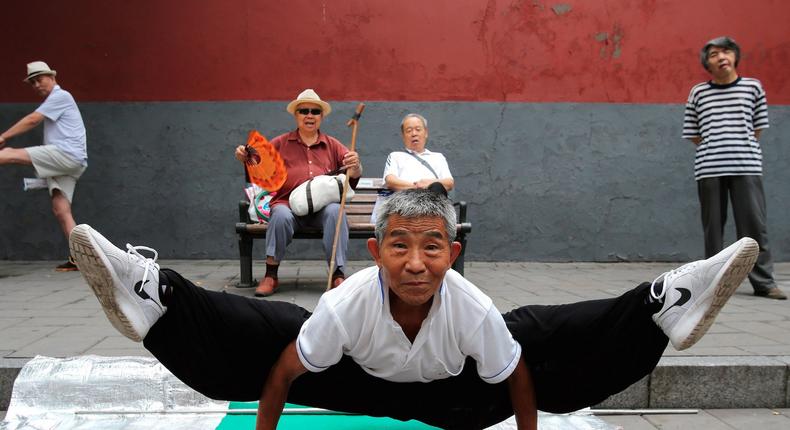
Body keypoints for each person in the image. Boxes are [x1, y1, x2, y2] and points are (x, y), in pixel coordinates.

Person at [68, 188, 758, 430]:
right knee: (259, 340)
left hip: (459, 399)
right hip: (353, 380)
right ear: (377, 251)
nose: (417, 262)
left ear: (451, 256)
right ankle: (157, 297)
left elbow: (516, 380)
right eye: (400, 246)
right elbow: (281, 373)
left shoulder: (470, 305)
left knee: (550, 351)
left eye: (433, 247)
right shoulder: (348, 302)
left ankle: (662, 306)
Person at [682, 36, 785, 300]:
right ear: (708, 63)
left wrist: (739, 146)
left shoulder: (753, 88)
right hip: (709, 168)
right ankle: (713, 284)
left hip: (746, 165)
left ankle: (764, 282)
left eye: (726, 51)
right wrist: (715, 148)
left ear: (735, 57)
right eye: (714, 54)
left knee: (754, 226)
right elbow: (693, 132)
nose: (720, 57)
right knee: (713, 229)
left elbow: (758, 127)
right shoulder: (698, 92)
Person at [234, 89, 362, 296]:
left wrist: (355, 167)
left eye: (315, 111)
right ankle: (271, 275)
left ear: (321, 117)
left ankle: (337, 274)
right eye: (304, 111)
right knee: (280, 213)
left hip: (322, 209)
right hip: (287, 205)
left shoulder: (333, 145)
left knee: (335, 211)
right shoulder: (280, 143)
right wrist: (246, 159)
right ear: (296, 115)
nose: (309, 115)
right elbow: (258, 172)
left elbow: (351, 180)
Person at [0, 61, 87, 271]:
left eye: (40, 79)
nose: (37, 85)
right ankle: (80, 259)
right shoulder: (54, 100)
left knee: (7, 154)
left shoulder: (61, 96)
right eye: (33, 82)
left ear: (52, 78)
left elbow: (32, 119)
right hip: (72, 162)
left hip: (66, 154)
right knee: (61, 209)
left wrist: (3, 135)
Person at [372, 114, 454, 223]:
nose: (414, 134)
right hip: (402, 209)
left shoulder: (438, 157)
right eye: (409, 130)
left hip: (431, 209)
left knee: (437, 189)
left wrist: (429, 183)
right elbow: (391, 181)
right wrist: (419, 188)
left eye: (418, 129)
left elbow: (449, 183)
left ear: (426, 133)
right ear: (403, 135)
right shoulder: (396, 156)